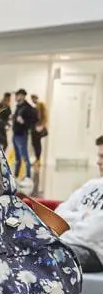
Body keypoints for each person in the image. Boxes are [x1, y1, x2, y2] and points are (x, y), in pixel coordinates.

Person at [57, 134, 103, 273]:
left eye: (102, 156)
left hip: (92, 253)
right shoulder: (92, 185)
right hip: (65, 243)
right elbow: (58, 214)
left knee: (49, 256)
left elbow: (91, 232)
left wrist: (64, 231)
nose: (98, 162)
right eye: (99, 156)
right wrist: (82, 217)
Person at [11, 88, 39, 183]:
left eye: (17, 95)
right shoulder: (18, 106)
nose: (16, 97)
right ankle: (15, 176)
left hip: (22, 135)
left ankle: (28, 176)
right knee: (17, 157)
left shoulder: (27, 108)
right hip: (15, 134)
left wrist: (24, 122)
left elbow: (33, 120)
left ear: (22, 96)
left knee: (24, 156)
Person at [30, 93, 49, 167]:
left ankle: (38, 160)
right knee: (34, 144)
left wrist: (42, 125)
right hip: (33, 128)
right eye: (32, 98)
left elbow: (45, 116)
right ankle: (37, 160)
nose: (33, 100)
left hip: (39, 128)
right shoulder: (32, 106)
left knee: (37, 144)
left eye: (34, 98)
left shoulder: (41, 105)